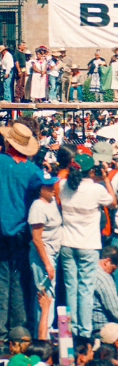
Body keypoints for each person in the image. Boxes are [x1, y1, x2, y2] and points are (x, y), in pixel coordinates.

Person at [60, 151, 117, 337]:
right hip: (88, 244)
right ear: (91, 171)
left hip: (67, 242)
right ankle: (84, 331)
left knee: (71, 287)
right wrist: (106, 179)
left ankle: (71, 328)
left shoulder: (62, 186)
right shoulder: (97, 189)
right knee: (85, 289)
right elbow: (113, 202)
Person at [0, 122, 40, 342]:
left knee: (2, 281)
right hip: (23, 233)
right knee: (19, 282)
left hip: (1, 232)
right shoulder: (34, 172)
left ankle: (1, 333)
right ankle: (19, 331)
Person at [28, 172, 61, 332]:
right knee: (45, 296)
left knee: (49, 294)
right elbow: (36, 239)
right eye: (48, 186)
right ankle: (42, 335)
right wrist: (47, 264)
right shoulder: (37, 207)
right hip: (43, 256)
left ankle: (44, 332)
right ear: (40, 189)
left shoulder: (52, 201)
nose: (52, 188)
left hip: (53, 254)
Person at [93, 246, 118, 331]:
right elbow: (116, 312)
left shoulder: (86, 271)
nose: (113, 273)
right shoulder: (104, 278)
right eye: (113, 269)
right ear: (107, 261)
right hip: (103, 328)